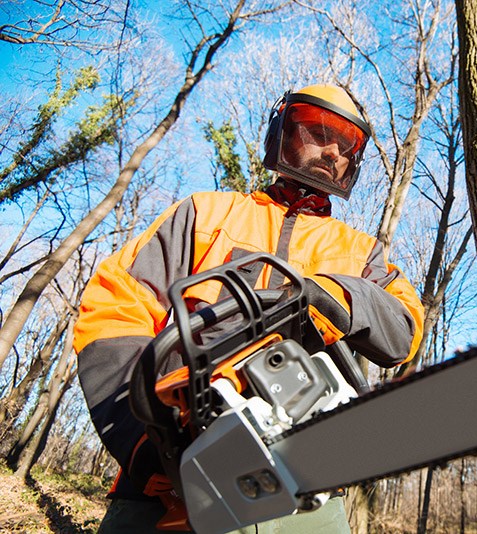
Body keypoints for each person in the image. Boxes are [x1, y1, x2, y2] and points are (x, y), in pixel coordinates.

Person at [73, 84, 425, 533]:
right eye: (320, 131)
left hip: (305, 485)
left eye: (346, 144)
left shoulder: (358, 250)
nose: (333, 151)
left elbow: (405, 329)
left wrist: (334, 294)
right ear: (284, 130)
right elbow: (116, 303)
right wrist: (143, 435)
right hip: (168, 479)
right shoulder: (206, 213)